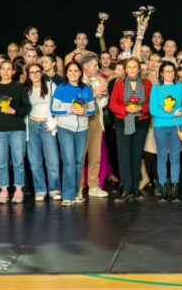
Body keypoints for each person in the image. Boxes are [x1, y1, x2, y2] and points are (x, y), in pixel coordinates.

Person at [50, 61, 96, 206]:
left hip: (82, 130)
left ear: (80, 72)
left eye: (76, 71)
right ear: (66, 73)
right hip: (65, 129)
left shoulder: (86, 89)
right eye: (70, 71)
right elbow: (53, 109)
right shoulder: (61, 88)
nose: (73, 73)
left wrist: (85, 111)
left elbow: (92, 109)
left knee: (78, 162)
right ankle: (68, 195)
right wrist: (69, 109)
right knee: (69, 162)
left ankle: (77, 192)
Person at [109, 58, 153, 200]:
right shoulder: (119, 84)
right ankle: (126, 188)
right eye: (129, 67)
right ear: (125, 70)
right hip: (124, 121)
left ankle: (135, 188)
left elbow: (151, 103)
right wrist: (125, 109)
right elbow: (112, 104)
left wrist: (142, 108)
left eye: (135, 67)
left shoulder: (147, 83)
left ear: (139, 69)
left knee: (136, 155)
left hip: (141, 122)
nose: (132, 69)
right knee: (124, 156)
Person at [0, 60, 31, 204]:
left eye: (9, 69)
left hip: (17, 129)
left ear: (13, 71)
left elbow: (27, 107)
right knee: (1, 162)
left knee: (18, 161)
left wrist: (15, 111)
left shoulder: (19, 87)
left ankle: (19, 189)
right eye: (3, 69)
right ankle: (4, 189)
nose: (6, 72)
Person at [149, 61, 182, 201]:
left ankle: (175, 188)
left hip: (176, 127)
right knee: (162, 157)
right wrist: (173, 114)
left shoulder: (180, 87)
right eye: (166, 71)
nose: (170, 74)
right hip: (160, 126)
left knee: (175, 157)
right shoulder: (156, 88)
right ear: (161, 73)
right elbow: (153, 110)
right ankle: (162, 188)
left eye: (172, 71)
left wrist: (178, 111)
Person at [25, 62, 59, 201]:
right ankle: (40, 189)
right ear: (28, 75)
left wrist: (54, 124)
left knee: (53, 160)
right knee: (35, 161)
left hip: (47, 125)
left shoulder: (51, 86)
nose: (35, 74)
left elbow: (58, 106)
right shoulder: (26, 89)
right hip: (32, 125)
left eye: (37, 71)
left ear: (42, 72)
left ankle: (54, 189)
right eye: (31, 72)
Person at [79, 53, 111, 198]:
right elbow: (77, 101)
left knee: (95, 155)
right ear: (85, 66)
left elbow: (102, 103)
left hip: (96, 118)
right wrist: (93, 94)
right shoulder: (77, 81)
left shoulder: (95, 80)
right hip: (83, 120)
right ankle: (79, 188)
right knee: (80, 156)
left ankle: (94, 186)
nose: (97, 68)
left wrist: (103, 96)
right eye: (94, 65)